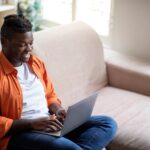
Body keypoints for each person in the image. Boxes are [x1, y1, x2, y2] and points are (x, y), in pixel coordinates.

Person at [0, 14, 117, 150]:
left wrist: (58, 109)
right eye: (22, 45)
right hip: (20, 133)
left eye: (31, 43)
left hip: (50, 122)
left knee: (107, 123)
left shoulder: (36, 63)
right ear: (5, 41)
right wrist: (32, 124)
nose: (29, 49)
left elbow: (50, 95)